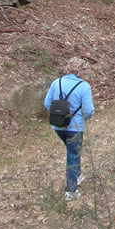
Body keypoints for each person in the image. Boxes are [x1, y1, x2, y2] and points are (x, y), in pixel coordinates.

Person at [44, 57, 95, 202]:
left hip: (58, 125)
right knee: (73, 155)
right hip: (75, 127)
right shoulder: (84, 86)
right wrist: (83, 118)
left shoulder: (56, 82)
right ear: (82, 70)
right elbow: (89, 110)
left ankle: (78, 175)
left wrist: (59, 114)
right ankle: (71, 190)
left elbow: (47, 103)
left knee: (72, 151)